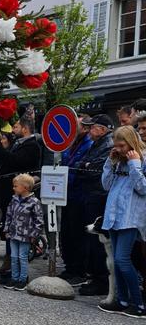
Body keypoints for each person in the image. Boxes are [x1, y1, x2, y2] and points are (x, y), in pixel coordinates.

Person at [98, 126, 146, 318]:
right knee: (118, 263)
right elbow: (106, 185)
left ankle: (139, 304)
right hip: (114, 215)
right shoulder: (118, 160)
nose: (118, 149)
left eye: (121, 145)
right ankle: (123, 300)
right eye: (116, 145)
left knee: (122, 259)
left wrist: (135, 165)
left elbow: (143, 188)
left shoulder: (141, 159)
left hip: (130, 217)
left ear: (131, 142)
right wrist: (110, 162)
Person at [0, 115, 41, 278]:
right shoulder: (17, 144)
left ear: (25, 129)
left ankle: (18, 271)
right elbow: (2, 160)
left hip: (19, 197)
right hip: (8, 195)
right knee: (8, 227)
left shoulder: (32, 146)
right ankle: (9, 263)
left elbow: (15, 162)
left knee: (17, 234)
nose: (13, 130)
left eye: (16, 127)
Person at [73, 114, 114, 295]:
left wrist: (85, 166)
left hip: (99, 195)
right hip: (90, 194)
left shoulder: (108, 145)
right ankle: (95, 276)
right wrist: (84, 166)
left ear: (102, 129)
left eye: (92, 127)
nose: (89, 130)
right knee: (91, 239)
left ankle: (101, 280)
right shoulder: (97, 144)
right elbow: (80, 166)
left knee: (98, 241)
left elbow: (93, 171)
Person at [59, 115, 93, 284]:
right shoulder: (69, 143)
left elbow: (81, 169)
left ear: (85, 128)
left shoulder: (88, 145)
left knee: (78, 234)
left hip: (79, 195)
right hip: (65, 194)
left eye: (76, 125)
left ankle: (79, 270)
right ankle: (69, 266)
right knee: (66, 232)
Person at [2, 174, 43, 291]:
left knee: (22, 257)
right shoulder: (14, 200)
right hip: (13, 234)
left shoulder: (34, 202)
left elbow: (39, 221)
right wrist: (6, 229)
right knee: (14, 257)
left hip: (26, 236)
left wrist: (34, 235)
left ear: (25, 187)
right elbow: (8, 215)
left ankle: (23, 279)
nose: (13, 188)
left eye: (16, 186)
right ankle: (14, 278)